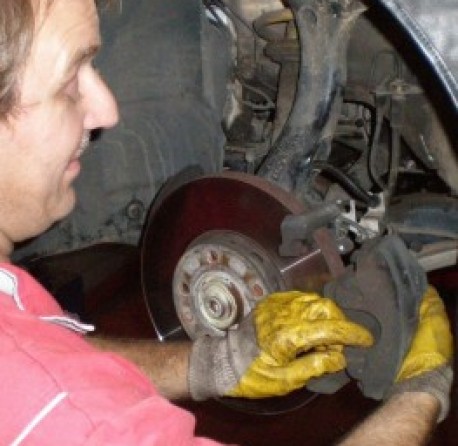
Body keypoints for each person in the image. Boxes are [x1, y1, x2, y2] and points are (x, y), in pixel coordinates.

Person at [0, 0, 452, 444]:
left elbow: (45, 351)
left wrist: (211, 364)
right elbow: (49, 384)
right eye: (68, 83)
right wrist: (422, 390)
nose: (108, 111)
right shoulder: (78, 422)